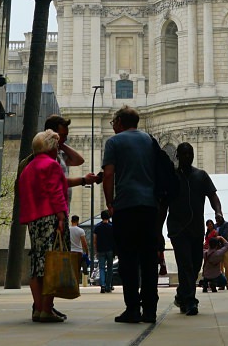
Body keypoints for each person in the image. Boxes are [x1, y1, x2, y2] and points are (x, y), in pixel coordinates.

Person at [101, 105, 160, 324]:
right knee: (148, 259)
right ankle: (150, 310)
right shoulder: (149, 140)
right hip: (149, 207)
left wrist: (110, 201)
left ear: (119, 122)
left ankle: (133, 309)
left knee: (128, 259)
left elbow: (109, 175)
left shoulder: (114, 142)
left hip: (126, 206)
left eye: (113, 122)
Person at [18, 129, 71, 323]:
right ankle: (47, 309)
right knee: (52, 264)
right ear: (51, 147)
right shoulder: (52, 166)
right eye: (56, 146)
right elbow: (55, 192)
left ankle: (39, 308)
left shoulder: (27, 168)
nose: (58, 150)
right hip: (51, 218)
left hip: (34, 221)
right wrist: (61, 217)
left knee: (37, 263)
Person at [165, 141, 221, 316]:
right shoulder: (171, 177)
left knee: (196, 264)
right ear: (178, 156)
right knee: (185, 264)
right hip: (178, 229)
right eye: (184, 154)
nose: (187, 157)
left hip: (196, 229)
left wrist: (218, 212)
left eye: (190, 154)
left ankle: (182, 294)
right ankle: (191, 301)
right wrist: (157, 229)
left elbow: (213, 195)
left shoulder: (201, 175)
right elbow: (162, 204)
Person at [91, 211, 115, 293]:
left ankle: (103, 285)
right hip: (110, 250)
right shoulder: (112, 226)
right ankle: (108, 286)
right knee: (110, 268)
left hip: (101, 250)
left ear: (101, 217)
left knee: (101, 268)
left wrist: (96, 250)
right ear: (108, 217)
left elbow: (95, 240)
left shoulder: (97, 227)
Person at [213, 212, 228, 289]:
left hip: (226, 247)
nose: (217, 220)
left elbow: (225, 234)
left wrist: (217, 235)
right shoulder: (215, 225)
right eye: (216, 219)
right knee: (220, 268)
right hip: (218, 248)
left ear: (222, 218)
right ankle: (222, 284)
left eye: (219, 218)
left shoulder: (226, 224)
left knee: (227, 266)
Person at [69, 215, 89, 284]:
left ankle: (71, 285)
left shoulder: (68, 230)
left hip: (70, 252)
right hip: (78, 252)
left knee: (71, 270)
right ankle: (76, 285)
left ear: (71, 221)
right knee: (77, 270)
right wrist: (87, 251)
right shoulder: (80, 231)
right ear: (78, 221)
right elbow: (84, 243)